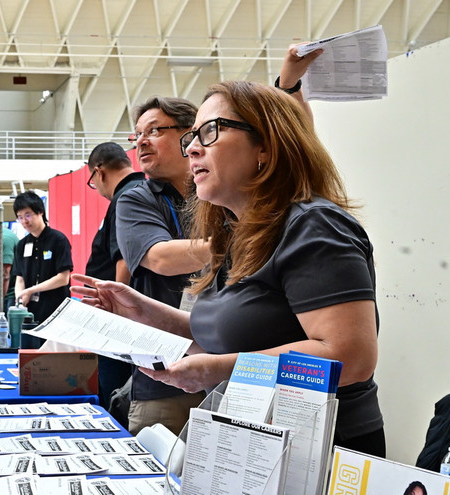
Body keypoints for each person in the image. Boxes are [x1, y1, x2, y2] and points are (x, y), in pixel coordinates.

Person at [74, 77, 385, 457]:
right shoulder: (240, 233)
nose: (192, 149)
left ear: (266, 147)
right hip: (252, 441)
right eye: (191, 138)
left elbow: (349, 357)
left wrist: (217, 370)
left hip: (315, 451)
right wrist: (145, 312)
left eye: (209, 132)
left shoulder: (313, 226)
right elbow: (229, 335)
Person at [114, 96, 210, 436]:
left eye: (154, 131)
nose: (141, 141)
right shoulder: (137, 198)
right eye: (137, 134)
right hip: (163, 376)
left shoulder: (218, 191)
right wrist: (235, 246)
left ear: (192, 135)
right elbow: (160, 258)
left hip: (230, 372)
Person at [83, 142, 145, 410]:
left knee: (113, 393)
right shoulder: (143, 189)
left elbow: (124, 261)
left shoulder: (126, 198)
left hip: (118, 321)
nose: (97, 190)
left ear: (99, 172)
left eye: (92, 182)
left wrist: (115, 313)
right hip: (129, 315)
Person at [12, 191, 73, 347]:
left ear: (40, 212)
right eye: (20, 217)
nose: (24, 221)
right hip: (30, 313)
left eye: (28, 215)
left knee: (53, 358)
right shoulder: (22, 244)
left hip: (55, 310)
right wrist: (20, 297)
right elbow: (20, 277)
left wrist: (30, 290)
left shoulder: (58, 240)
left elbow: (63, 278)